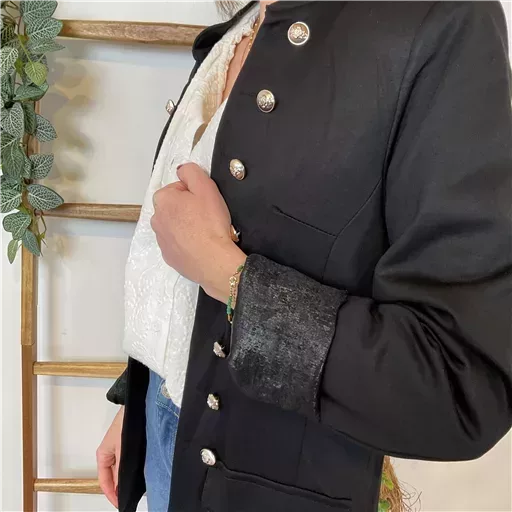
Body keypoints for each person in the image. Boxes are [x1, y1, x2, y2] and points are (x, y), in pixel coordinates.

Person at [96, 0, 512, 511]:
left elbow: (460, 383)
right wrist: (143, 400)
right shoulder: (245, 24)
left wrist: (230, 277)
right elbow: (179, 278)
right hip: (164, 433)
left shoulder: (441, 18)